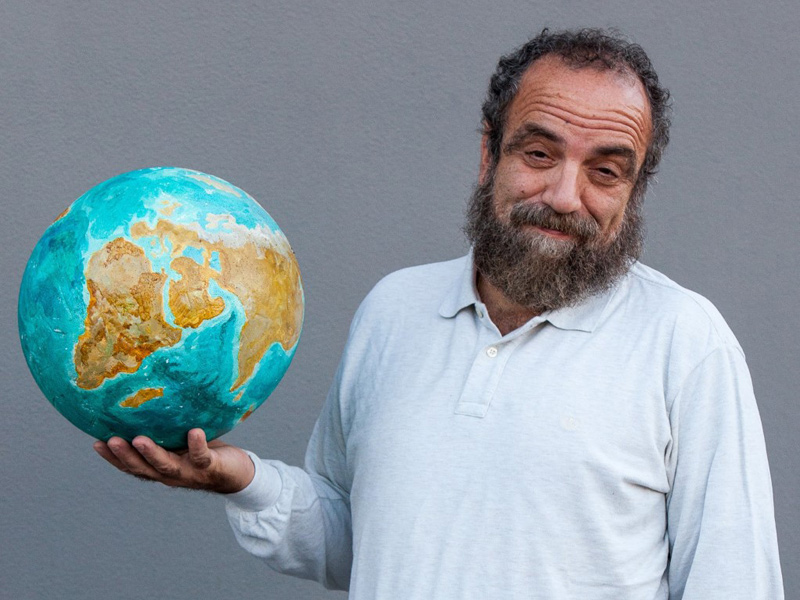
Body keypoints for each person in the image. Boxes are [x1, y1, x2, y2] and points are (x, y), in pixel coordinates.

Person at [94, 28, 784, 599]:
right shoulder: (393, 311)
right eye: (539, 153)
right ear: (489, 153)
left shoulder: (687, 345)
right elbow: (361, 541)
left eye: (605, 170)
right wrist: (243, 480)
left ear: (634, 190)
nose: (565, 195)